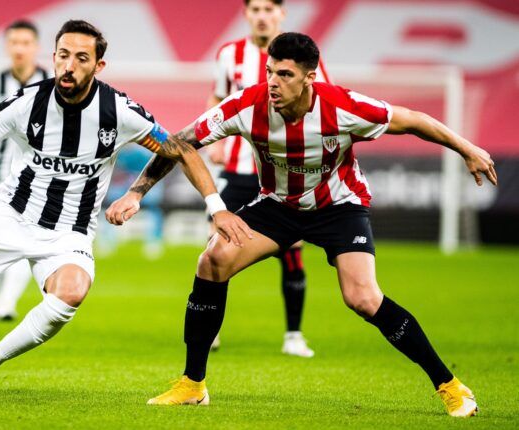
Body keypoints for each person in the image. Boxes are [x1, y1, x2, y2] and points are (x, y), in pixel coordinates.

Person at [106, 33, 496, 417]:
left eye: (285, 75)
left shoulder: (342, 106)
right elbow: (180, 142)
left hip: (339, 207)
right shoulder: (247, 104)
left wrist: (468, 149)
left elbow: (412, 120)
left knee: (362, 297)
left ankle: (449, 385)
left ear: (310, 77)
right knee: (212, 260)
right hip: (278, 205)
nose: (273, 83)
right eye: (271, 72)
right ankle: (192, 384)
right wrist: (137, 192)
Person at [0, 19, 250, 401]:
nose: (69, 66)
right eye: (63, 56)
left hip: (71, 231)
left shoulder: (117, 111)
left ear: (98, 66)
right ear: (53, 57)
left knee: (71, 292)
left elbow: (180, 150)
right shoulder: (26, 102)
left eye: (81, 58)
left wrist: (212, 206)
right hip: (11, 215)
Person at [207, 0, 331, 356]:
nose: (262, 15)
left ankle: (293, 335)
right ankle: (211, 328)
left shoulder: (302, 57)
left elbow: (325, 101)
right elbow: (217, 96)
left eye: (268, 9)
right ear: (246, 13)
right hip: (239, 168)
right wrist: (214, 141)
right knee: (215, 247)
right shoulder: (229, 54)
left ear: (281, 14)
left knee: (292, 249)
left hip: (284, 172)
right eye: (255, 8)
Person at [0, 19, 50, 323]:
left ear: (36, 47)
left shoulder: (51, 80)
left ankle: (5, 303)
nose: (19, 49)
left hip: (37, 177)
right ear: (7, 47)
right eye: (14, 43)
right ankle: (1, 301)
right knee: (3, 238)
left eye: (25, 43)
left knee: (18, 238)